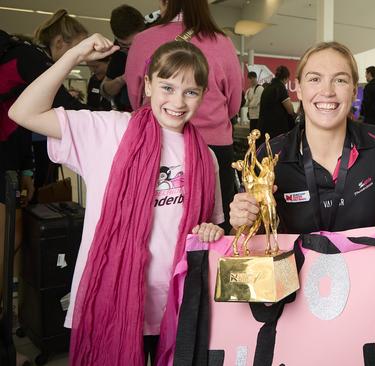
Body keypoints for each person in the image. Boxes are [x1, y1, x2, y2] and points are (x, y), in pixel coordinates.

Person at [8, 35, 225, 365]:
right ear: (148, 85)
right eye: (167, 87)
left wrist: (212, 231)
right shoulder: (107, 130)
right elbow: (23, 112)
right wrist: (75, 55)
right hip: (115, 299)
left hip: (178, 303)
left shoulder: (205, 158)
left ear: (202, 95)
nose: (178, 101)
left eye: (190, 91)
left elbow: (208, 226)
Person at [230, 41, 375, 235]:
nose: (327, 91)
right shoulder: (270, 156)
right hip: (296, 266)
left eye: (340, 80)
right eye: (315, 79)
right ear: (299, 89)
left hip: (366, 264)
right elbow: (243, 238)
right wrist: (240, 221)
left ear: (353, 91)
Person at [125, 0, 243, 234]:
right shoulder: (222, 42)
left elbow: (135, 97)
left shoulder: (143, 40)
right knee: (216, 228)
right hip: (215, 145)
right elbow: (234, 103)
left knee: (157, 226)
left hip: (158, 145)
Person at [20, 10, 88, 197]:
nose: (79, 60)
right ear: (59, 43)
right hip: (26, 146)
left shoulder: (29, 55)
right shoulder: (39, 62)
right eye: (77, 52)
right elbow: (66, 103)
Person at [101, 4, 146, 112]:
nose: (132, 50)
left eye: (136, 44)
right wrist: (124, 78)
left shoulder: (156, 41)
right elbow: (104, 89)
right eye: (126, 46)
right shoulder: (118, 51)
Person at [258, 65, 296, 140]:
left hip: (264, 127)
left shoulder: (268, 87)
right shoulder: (280, 87)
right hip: (277, 129)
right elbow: (290, 109)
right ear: (286, 78)